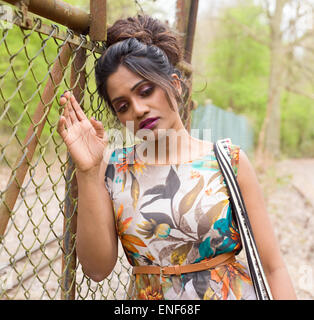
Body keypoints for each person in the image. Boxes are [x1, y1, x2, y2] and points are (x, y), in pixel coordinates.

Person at [57, 15, 296, 300]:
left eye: (146, 91)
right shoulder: (112, 169)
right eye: (123, 106)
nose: (139, 109)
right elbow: (97, 270)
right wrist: (87, 171)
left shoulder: (227, 160)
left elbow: (273, 267)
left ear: (175, 85)